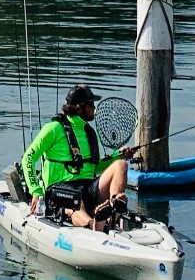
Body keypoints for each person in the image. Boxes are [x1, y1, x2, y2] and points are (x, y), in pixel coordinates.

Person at [19, 84, 129, 230]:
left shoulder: (89, 132)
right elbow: (28, 158)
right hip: (61, 188)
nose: (94, 109)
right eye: (91, 104)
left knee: (121, 165)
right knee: (76, 203)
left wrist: (117, 156)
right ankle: (93, 225)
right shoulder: (53, 128)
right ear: (79, 106)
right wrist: (35, 191)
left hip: (88, 187)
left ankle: (113, 210)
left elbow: (95, 167)